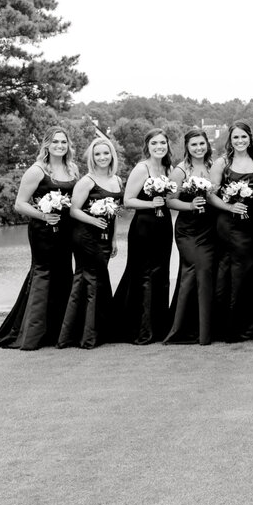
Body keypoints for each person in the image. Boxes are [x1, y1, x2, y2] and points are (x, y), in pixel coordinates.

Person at [0, 126, 78, 350]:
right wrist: (43, 215)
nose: (59, 146)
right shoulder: (37, 170)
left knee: (64, 273)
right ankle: (33, 332)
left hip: (67, 230)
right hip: (43, 232)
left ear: (68, 146)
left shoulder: (72, 168)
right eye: (55, 142)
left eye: (63, 142)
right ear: (46, 144)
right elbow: (20, 204)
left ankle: (60, 331)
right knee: (43, 273)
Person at [112, 128, 175, 345]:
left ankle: (158, 326)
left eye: (162, 143)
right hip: (144, 226)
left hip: (164, 225)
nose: (159, 147)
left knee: (161, 274)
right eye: (154, 143)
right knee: (144, 275)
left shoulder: (168, 167)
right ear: (147, 146)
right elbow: (128, 200)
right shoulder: (142, 168)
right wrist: (151, 203)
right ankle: (142, 328)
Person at [58, 138, 122, 349]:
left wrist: (113, 239)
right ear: (92, 158)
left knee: (97, 280)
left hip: (105, 238)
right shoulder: (86, 181)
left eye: (106, 153)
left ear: (112, 155)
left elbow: (115, 214)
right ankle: (84, 336)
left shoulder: (117, 181)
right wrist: (93, 220)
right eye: (97, 154)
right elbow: (74, 210)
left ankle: (95, 330)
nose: (102, 157)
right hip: (85, 236)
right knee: (92, 280)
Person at [208, 120, 253, 342]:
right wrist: (230, 206)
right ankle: (230, 327)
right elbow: (211, 195)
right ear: (230, 141)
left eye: (244, 137)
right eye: (235, 138)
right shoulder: (222, 163)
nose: (240, 141)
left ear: (250, 138)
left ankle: (251, 326)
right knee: (232, 271)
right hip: (229, 224)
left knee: (252, 271)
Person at [164, 129, 217, 345]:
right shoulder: (180, 171)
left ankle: (206, 327)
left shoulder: (214, 167)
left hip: (211, 228)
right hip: (189, 230)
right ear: (187, 147)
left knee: (207, 273)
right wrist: (190, 205)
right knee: (196, 271)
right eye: (194, 144)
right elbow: (170, 200)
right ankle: (183, 329)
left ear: (207, 144)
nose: (198, 148)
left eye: (201, 144)